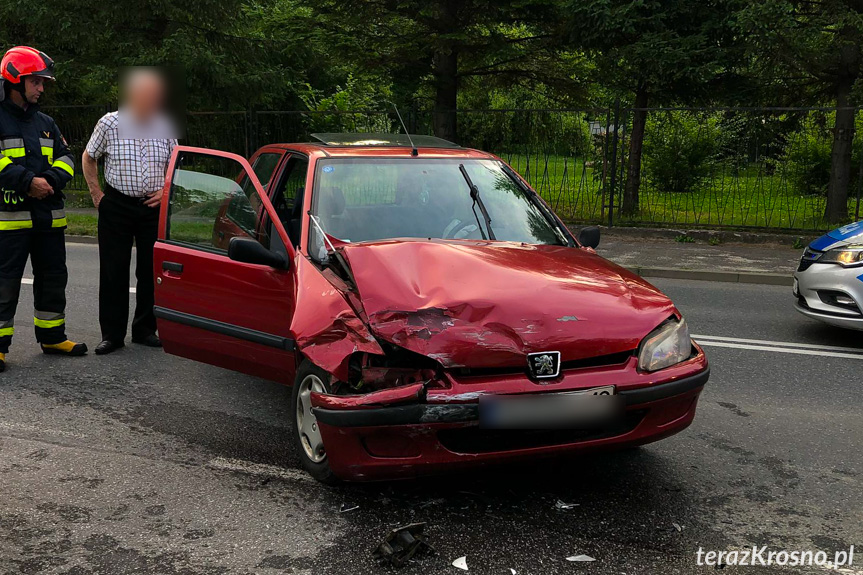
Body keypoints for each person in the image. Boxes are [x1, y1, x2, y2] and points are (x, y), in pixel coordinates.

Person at [0, 46, 87, 373]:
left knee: (53, 279)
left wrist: (48, 180)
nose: (41, 88)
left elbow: (66, 159)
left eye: (42, 82)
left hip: (49, 219)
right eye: (36, 82)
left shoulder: (46, 122)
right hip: (10, 222)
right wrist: (27, 182)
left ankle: (52, 337)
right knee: (4, 283)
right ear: (15, 81)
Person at [82, 68, 177, 355]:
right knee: (114, 270)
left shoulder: (165, 125)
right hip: (118, 205)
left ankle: (145, 329)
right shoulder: (110, 123)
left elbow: (176, 164)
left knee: (150, 272)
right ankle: (112, 335)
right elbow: (88, 157)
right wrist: (96, 193)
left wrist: (165, 192)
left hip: (152, 207)